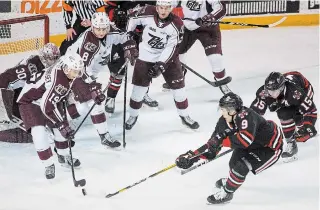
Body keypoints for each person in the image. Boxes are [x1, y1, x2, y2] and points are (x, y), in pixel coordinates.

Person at [176, 92, 283, 204]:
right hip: (252, 144)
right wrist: (193, 157)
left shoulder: (247, 116)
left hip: (269, 147)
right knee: (233, 165)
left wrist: (222, 140)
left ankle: (227, 193)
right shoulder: (223, 122)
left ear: (232, 111)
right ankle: (230, 182)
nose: (222, 113)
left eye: (223, 110)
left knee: (242, 166)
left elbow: (245, 141)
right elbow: (212, 148)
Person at [124, 0, 199, 130]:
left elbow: (172, 47)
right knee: (138, 90)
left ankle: (184, 115)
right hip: (145, 55)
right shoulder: (147, 12)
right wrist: (130, 37)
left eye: (166, 8)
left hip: (168, 58)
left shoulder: (177, 24)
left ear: (171, 8)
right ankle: (133, 115)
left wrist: (161, 64)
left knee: (179, 89)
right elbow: (131, 18)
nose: (163, 11)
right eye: (161, 8)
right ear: (157, 7)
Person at [66, 12, 138, 147]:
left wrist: (130, 47)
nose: (101, 32)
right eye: (98, 29)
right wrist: (93, 87)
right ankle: (60, 123)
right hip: (74, 72)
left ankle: (103, 136)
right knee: (89, 104)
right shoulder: (90, 44)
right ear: (92, 27)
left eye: (103, 29)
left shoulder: (109, 30)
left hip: (88, 73)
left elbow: (124, 36)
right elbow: (82, 70)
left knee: (92, 104)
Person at [17, 52, 85, 179]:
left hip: (48, 97)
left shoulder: (65, 66)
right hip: (30, 101)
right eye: (74, 71)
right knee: (39, 132)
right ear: (66, 68)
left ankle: (63, 156)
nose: (77, 74)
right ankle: (48, 164)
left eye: (78, 71)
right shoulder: (59, 82)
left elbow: (51, 99)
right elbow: (45, 106)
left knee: (59, 130)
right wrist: (62, 124)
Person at [162, 0, 232, 94]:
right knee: (176, 54)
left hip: (208, 29)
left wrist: (211, 17)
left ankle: (222, 82)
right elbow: (169, 3)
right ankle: (178, 76)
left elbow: (220, 8)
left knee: (215, 58)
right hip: (188, 28)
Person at [103, 1, 159, 113]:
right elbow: (107, 13)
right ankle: (111, 97)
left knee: (145, 68)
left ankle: (142, 94)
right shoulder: (117, 4)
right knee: (118, 71)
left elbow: (158, 11)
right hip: (120, 38)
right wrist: (117, 18)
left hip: (141, 38)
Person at [0, 43, 60, 143]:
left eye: (55, 58)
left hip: (17, 91)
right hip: (8, 93)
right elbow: (5, 79)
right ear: (44, 57)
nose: (54, 61)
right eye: (51, 58)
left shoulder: (39, 62)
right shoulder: (32, 68)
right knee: (44, 135)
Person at [250, 71, 317, 160]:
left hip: (304, 87)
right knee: (284, 113)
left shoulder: (295, 92)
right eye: (269, 90)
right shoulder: (264, 92)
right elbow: (254, 113)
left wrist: (308, 124)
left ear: (282, 88)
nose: (271, 94)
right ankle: (291, 143)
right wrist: (249, 128)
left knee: (298, 115)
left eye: (275, 91)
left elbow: (310, 110)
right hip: (287, 93)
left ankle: (304, 128)